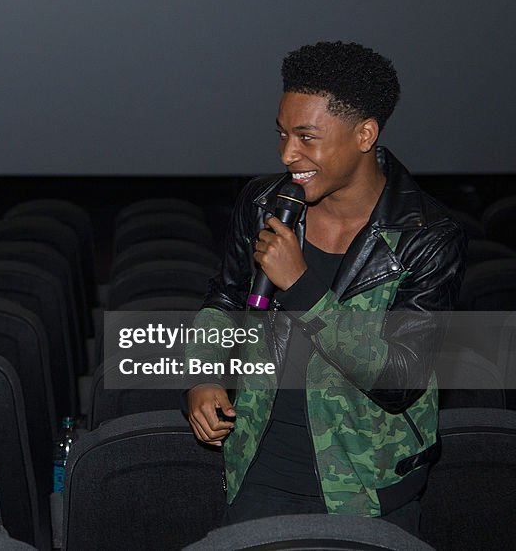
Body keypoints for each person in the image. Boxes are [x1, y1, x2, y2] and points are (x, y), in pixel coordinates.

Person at [184, 41, 466, 534]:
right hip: (257, 468)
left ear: (364, 134)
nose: (288, 154)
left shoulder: (427, 236)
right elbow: (225, 300)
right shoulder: (263, 201)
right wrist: (203, 376)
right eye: (282, 134)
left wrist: (302, 287)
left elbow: (400, 380)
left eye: (307, 137)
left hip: (366, 485)